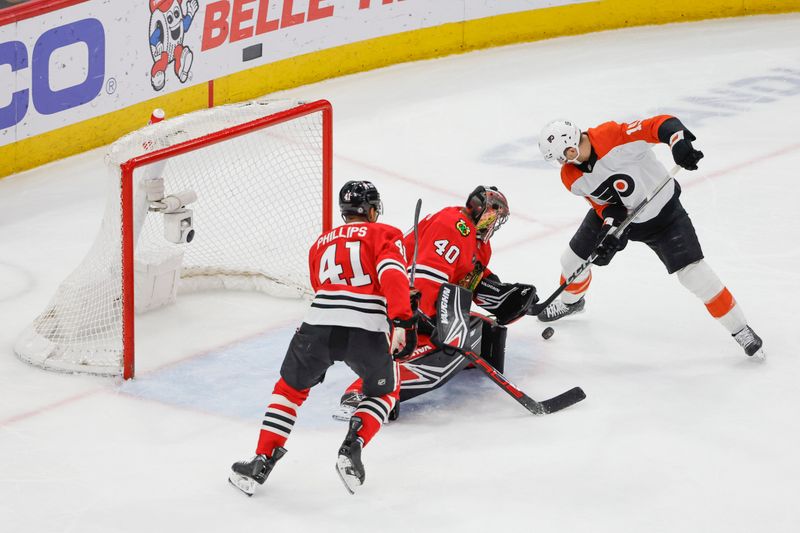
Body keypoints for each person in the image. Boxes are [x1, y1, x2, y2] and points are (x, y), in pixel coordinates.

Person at [229, 180, 417, 496]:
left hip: (318, 325)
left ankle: (261, 461)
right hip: (366, 329)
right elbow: (390, 275)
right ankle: (352, 445)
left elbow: (323, 287)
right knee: (384, 394)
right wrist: (403, 318)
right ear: (372, 210)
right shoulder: (384, 233)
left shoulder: (321, 242)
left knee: (288, 391)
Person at [535, 116, 764, 359]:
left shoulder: (612, 136)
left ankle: (741, 329)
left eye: (562, 156)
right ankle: (572, 302)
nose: (562, 163)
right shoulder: (571, 176)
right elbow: (605, 207)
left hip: (664, 214)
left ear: (571, 147)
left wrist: (679, 144)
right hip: (626, 218)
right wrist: (610, 233)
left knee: (695, 275)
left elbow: (660, 125)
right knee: (572, 260)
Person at [335, 186, 538, 421]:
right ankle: (364, 391)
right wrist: (429, 317)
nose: (494, 223)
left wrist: (507, 297)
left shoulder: (475, 239)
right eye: (494, 215)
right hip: (398, 304)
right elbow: (426, 272)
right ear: (481, 210)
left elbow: (468, 280)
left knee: (483, 329)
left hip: (412, 301)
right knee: (440, 359)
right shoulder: (454, 224)